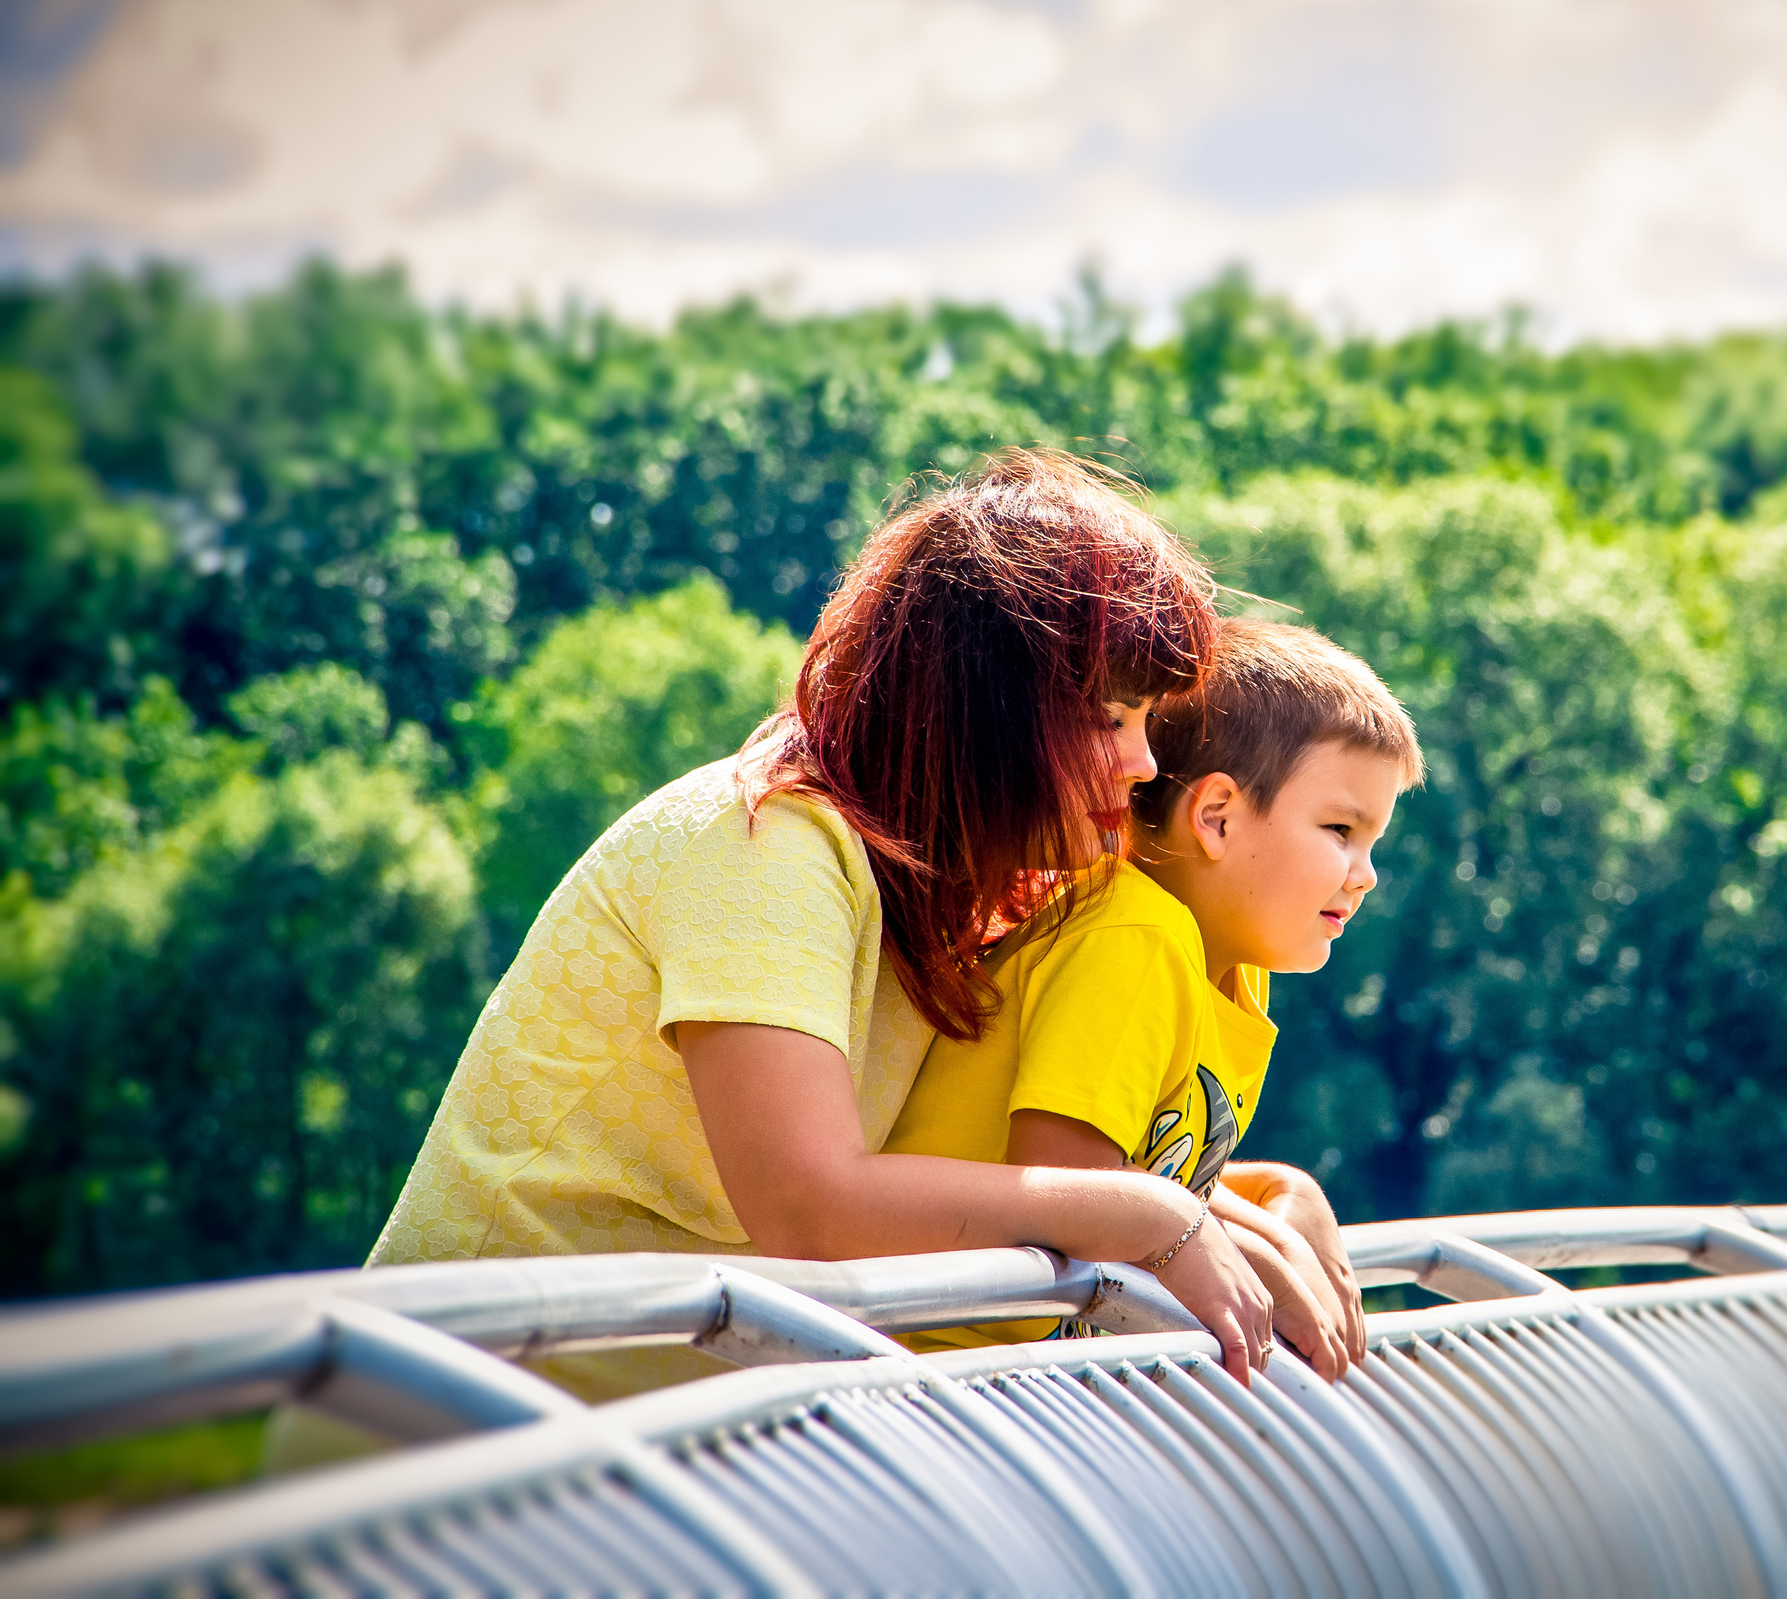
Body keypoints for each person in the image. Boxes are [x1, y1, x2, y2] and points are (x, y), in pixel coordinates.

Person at [368, 450, 1295, 1392]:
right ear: (983, 709)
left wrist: (1250, 1202)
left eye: (1147, 721)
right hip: (446, 1422)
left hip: (637, 1430)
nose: (1144, 765)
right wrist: (1150, 1218)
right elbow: (808, 1207)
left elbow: (963, 1173)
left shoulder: (949, 879)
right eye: (1107, 719)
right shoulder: (764, 841)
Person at [884, 620, 1422, 1378]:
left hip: (1034, 1382)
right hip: (936, 1374)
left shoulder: (1230, 965)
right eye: (1340, 830)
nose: (1365, 874)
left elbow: (1147, 1177)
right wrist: (1255, 1248)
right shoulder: (1137, 936)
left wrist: (1278, 1198)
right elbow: (1071, 1187)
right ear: (1216, 817)